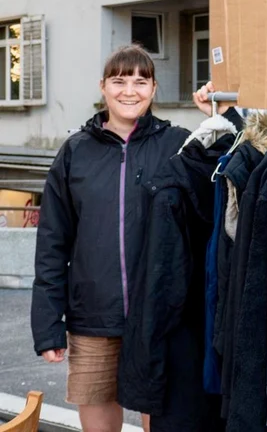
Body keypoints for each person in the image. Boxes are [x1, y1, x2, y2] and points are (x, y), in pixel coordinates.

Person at [30, 45, 239, 432]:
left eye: (141, 81)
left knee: (160, 416)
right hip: (93, 316)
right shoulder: (75, 152)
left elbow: (235, 165)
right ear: (103, 87)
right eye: (119, 80)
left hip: (160, 315)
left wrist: (224, 116)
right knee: (98, 415)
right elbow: (52, 242)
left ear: (154, 88)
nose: (130, 90)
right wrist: (47, 325)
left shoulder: (179, 145)